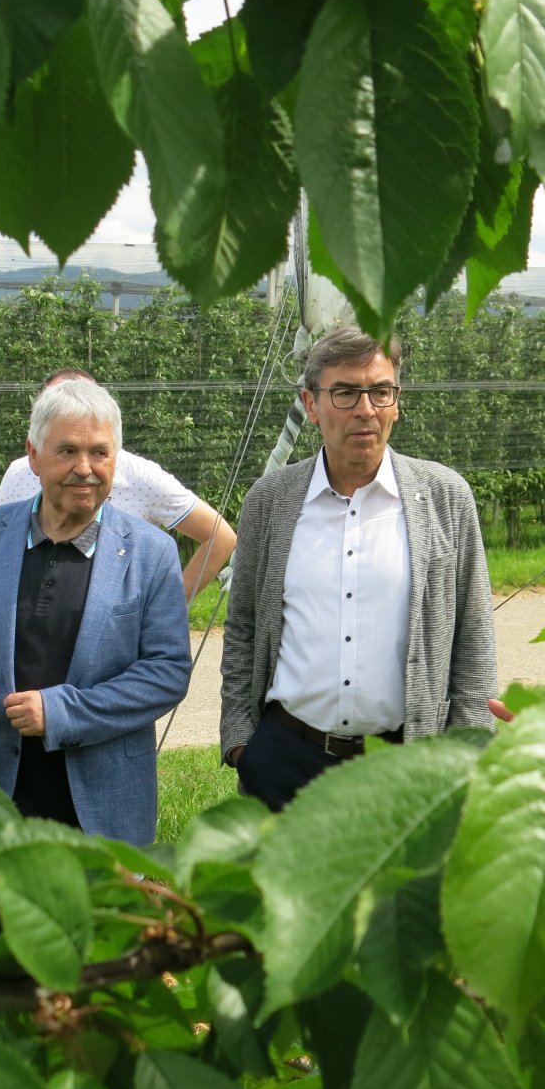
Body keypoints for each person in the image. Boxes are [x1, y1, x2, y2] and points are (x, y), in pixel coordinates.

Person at [219, 323, 496, 811]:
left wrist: (467, 752)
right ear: (311, 404)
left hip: (405, 762)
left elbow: (472, 636)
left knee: (397, 888)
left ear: (397, 400)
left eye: (380, 391)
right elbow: (242, 627)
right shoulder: (270, 502)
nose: (365, 409)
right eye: (345, 392)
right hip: (287, 759)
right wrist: (243, 742)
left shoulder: (445, 497)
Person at [0, 380, 192, 845]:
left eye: (100, 453)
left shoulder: (152, 552)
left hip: (102, 802)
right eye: (67, 451)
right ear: (34, 455)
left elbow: (167, 674)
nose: (85, 469)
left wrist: (61, 711)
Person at [0, 367, 237, 603]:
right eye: (56, 405)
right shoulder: (18, 474)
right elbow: (0, 548)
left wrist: (167, 607)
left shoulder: (140, 475)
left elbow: (220, 535)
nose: (83, 468)